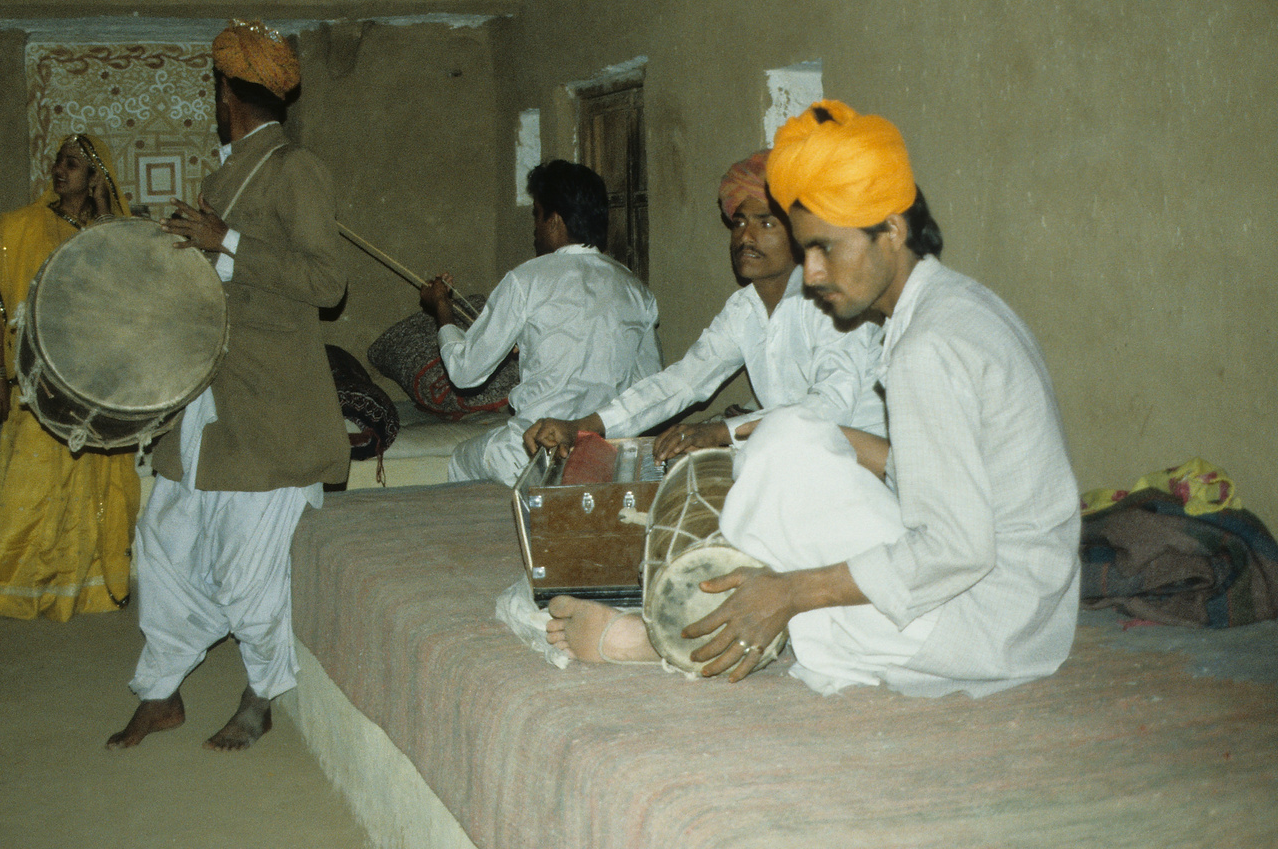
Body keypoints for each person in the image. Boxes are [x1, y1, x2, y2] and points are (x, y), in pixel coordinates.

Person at [549, 100, 1080, 698]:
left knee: (785, 462)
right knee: (785, 440)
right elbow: (949, 475)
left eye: (827, 248)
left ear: (892, 230)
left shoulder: (926, 346)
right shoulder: (954, 304)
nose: (815, 273)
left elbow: (955, 550)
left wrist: (792, 591)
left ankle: (681, 636)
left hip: (983, 621)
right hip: (1027, 607)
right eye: (809, 252)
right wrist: (808, 441)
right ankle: (740, 610)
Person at [107, 20, 349, 752]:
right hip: (211, 396)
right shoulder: (224, 173)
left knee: (250, 571)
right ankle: (162, 691)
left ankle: (260, 693)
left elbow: (326, 281)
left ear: (225, 94)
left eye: (216, 90)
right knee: (164, 542)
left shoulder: (296, 170)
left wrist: (228, 242)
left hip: (271, 402)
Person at [523, 150, 884, 465]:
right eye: (739, 222)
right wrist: (582, 426)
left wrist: (719, 432)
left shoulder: (836, 301)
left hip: (866, 471)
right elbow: (683, 381)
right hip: (796, 458)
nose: (745, 236)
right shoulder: (745, 308)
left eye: (767, 223)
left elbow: (827, 407)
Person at [0, 133, 140, 621]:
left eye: (74, 164)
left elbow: (133, 299)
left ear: (96, 177)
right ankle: (12, 591)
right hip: (36, 386)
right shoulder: (18, 229)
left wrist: (105, 217)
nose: (59, 170)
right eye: (59, 161)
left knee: (97, 490)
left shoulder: (114, 233)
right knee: (29, 487)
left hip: (97, 388)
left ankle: (87, 590)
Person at [418, 159, 661, 485]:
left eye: (537, 215)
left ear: (555, 220)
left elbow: (465, 372)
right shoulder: (636, 290)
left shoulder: (526, 279)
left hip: (533, 450)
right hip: (606, 457)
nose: (535, 227)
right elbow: (651, 389)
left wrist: (442, 310)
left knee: (464, 458)